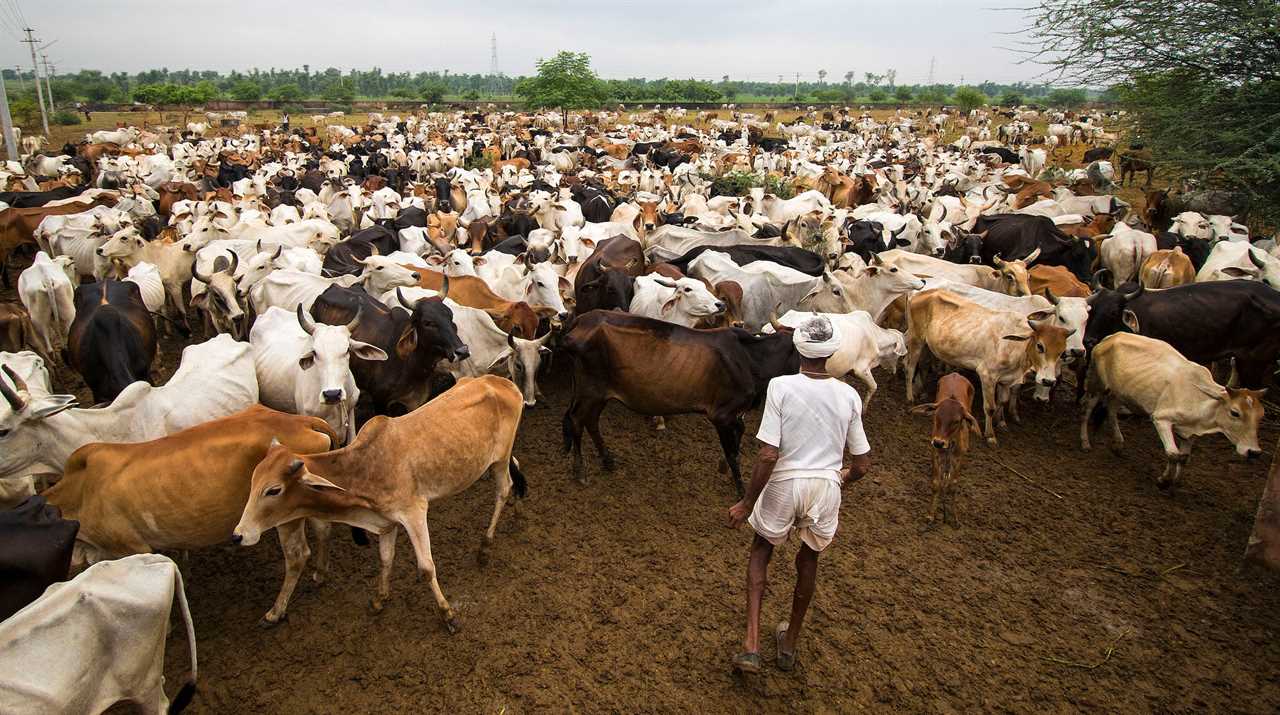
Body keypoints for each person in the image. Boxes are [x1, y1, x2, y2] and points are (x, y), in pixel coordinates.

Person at [727, 315, 872, 674]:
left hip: (785, 482)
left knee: (761, 551)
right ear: (833, 350)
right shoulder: (850, 394)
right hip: (825, 486)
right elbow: (863, 465)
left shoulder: (780, 387)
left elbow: (767, 453)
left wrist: (747, 503)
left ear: (797, 347)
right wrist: (842, 478)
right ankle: (789, 642)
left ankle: (751, 646)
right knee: (809, 560)